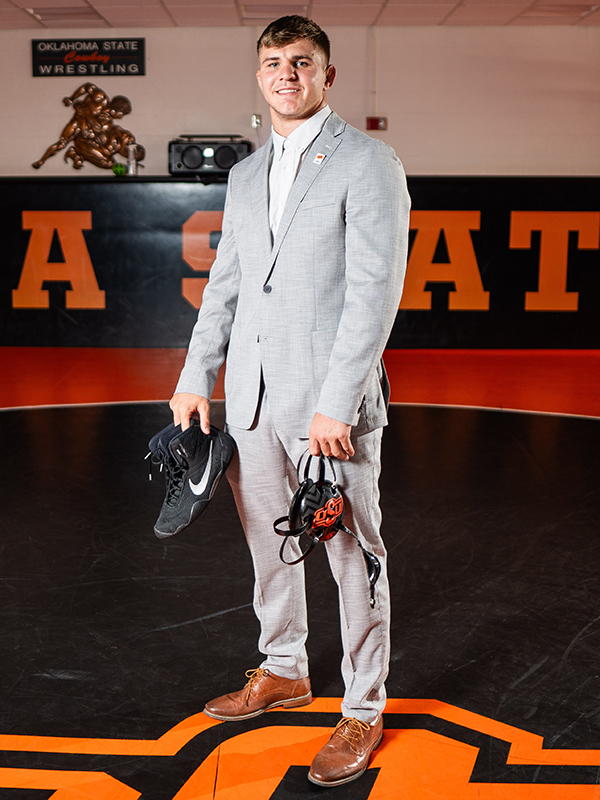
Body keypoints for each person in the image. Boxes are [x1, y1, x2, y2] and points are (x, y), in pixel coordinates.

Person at [170, 14, 410, 787]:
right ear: (260, 75)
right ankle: (284, 669)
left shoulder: (369, 162)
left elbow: (375, 294)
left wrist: (337, 402)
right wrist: (194, 375)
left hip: (327, 412)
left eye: (301, 62)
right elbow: (227, 288)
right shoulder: (243, 176)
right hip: (252, 399)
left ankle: (363, 708)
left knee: (351, 554)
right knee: (269, 545)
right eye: (273, 62)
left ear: (326, 75)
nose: (286, 75)